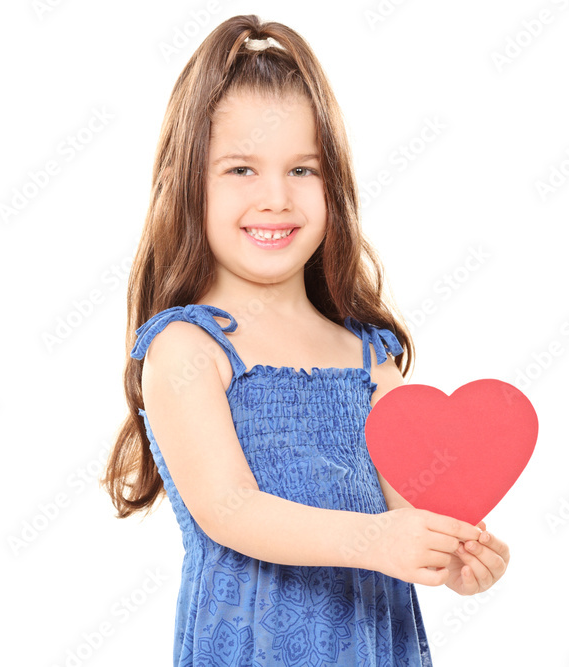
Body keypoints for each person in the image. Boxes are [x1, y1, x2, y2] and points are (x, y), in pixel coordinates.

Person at [101, 14, 509, 666]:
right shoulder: (187, 349)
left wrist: (456, 554)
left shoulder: (369, 359)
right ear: (187, 182)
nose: (276, 197)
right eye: (240, 169)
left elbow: (412, 510)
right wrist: (377, 540)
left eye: (302, 169)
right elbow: (230, 508)